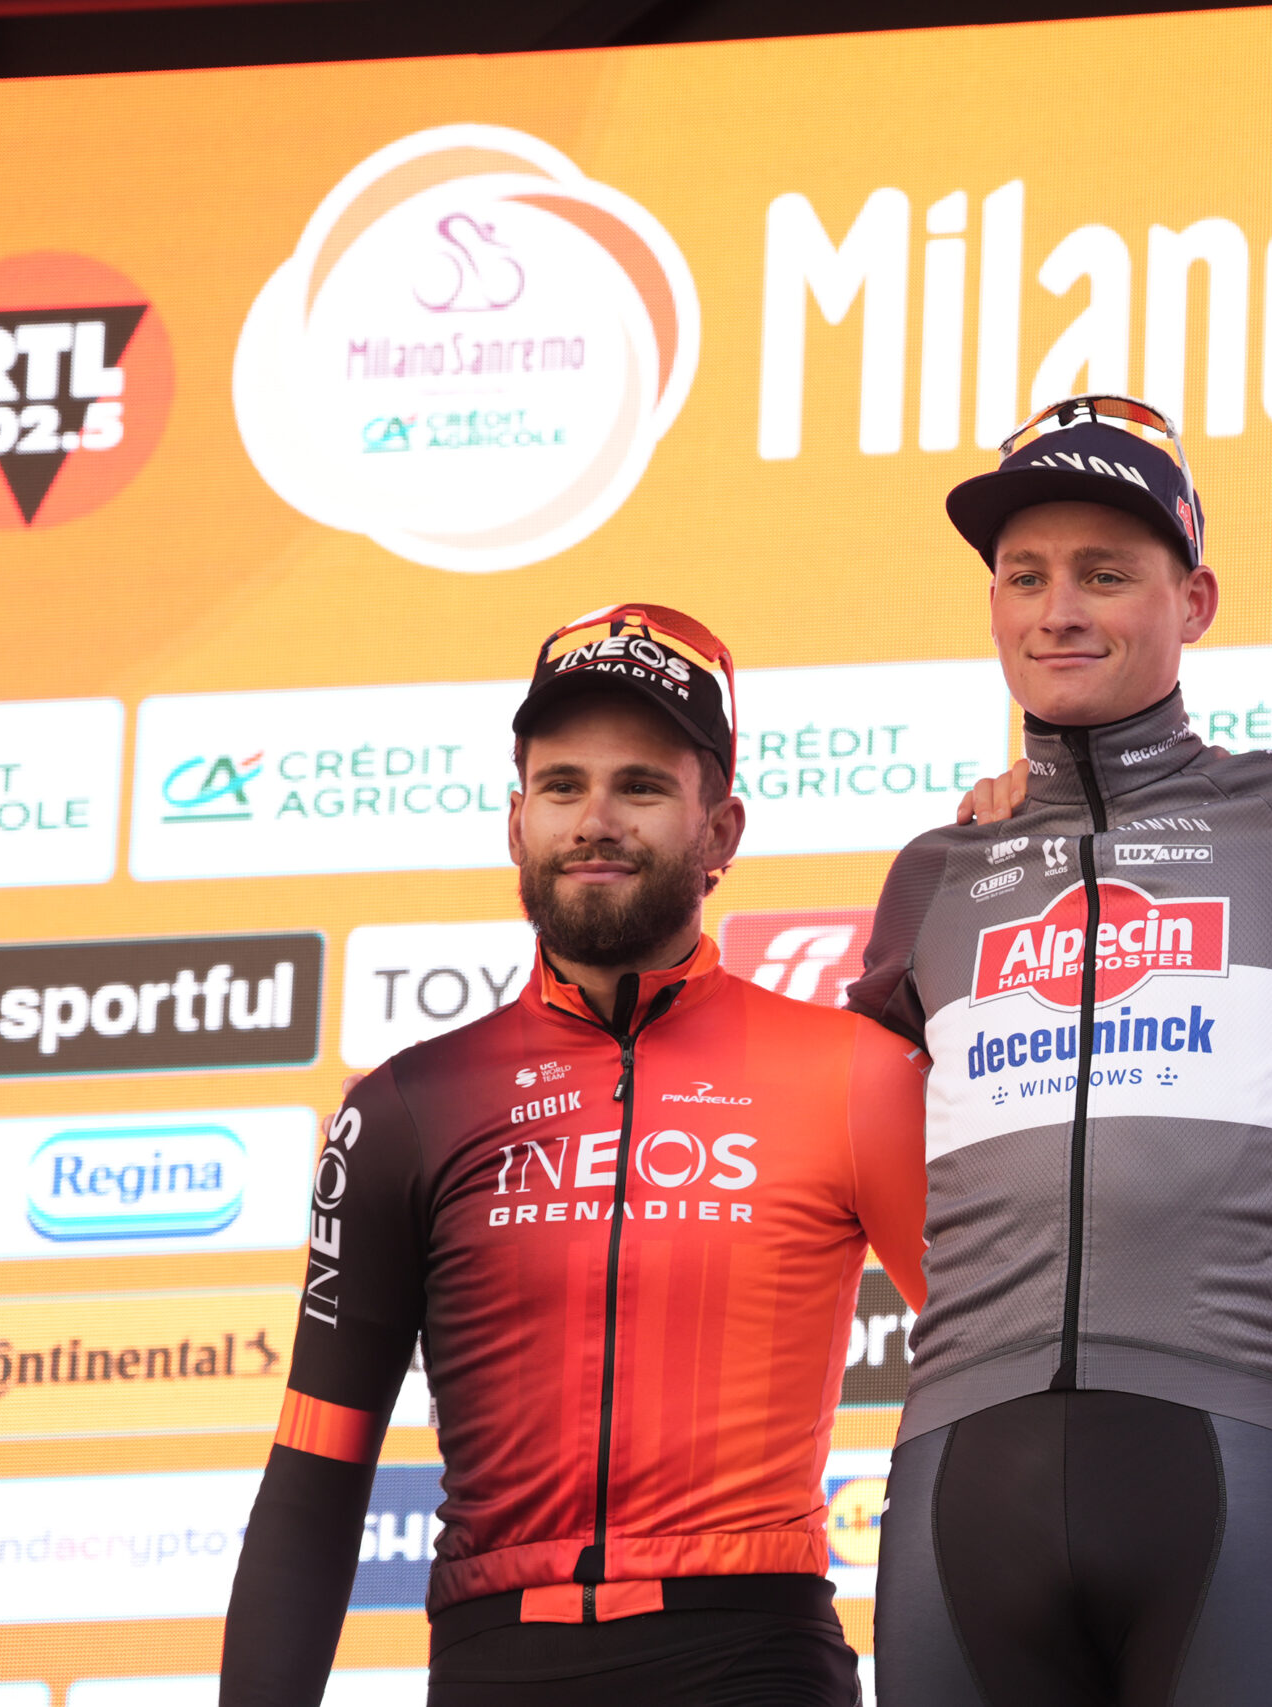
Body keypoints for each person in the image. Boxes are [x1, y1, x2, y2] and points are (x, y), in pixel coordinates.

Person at [846, 394, 1272, 1707]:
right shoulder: (936, 872)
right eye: (1025, 576)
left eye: (1105, 573)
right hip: (962, 1463)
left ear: (1196, 600)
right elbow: (849, 1158)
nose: (1058, 609)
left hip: (1222, 1442)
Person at [221, 604, 928, 1707]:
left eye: (639, 787)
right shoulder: (409, 1106)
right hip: (493, 1662)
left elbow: (1014, 1368)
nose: (595, 820)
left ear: (722, 830)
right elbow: (317, 1469)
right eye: (561, 786)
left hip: (755, 1658)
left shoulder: (854, 1074)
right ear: (516, 824)